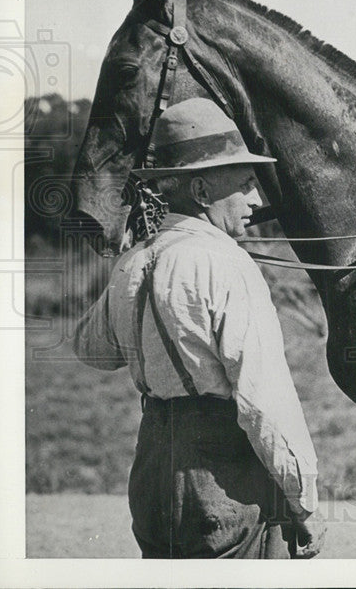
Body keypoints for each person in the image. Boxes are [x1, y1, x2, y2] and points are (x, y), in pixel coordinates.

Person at [74, 98, 326, 558]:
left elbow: (92, 350)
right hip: (223, 476)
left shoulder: (132, 262)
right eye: (247, 183)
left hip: (151, 473)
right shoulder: (228, 263)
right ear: (203, 192)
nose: (257, 199)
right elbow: (263, 400)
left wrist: (130, 259)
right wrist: (303, 500)